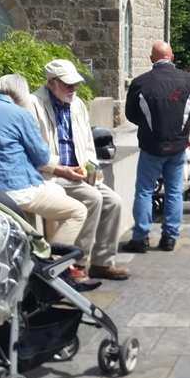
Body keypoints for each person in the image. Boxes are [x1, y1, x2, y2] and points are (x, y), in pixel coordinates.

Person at [27, 60, 129, 281]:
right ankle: (77, 264)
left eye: (75, 84)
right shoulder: (32, 104)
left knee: (113, 201)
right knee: (92, 198)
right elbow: (32, 151)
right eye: (67, 84)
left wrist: (91, 168)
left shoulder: (77, 104)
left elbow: (88, 146)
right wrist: (62, 170)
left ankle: (102, 262)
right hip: (51, 175)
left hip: (77, 174)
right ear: (51, 83)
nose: (73, 89)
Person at [0, 74, 87, 247]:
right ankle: (53, 262)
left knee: (57, 190)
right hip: (13, 189)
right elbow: (42, 157)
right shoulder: (20, 113)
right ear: (22, 94)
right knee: (78, 211)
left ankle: (35, 251)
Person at [123, 41, 190, 252]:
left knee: (144, 192)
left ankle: (140, 238)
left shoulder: (140, 83)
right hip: (177, 144)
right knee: (174, 192)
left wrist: (148, 123)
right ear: (173, 58)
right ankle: (169, 237)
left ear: (151, 60)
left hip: (151, 145)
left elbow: (130, 114)